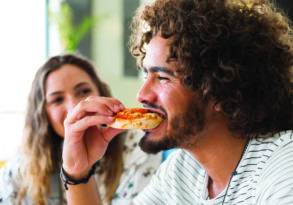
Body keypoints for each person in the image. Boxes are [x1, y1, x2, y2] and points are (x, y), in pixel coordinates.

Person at [61, 0, 293, 204]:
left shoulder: (283, 169)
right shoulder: (183, 170)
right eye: (146, 75)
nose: (142, 94)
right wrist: (77, 172)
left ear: (220, 90)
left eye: (162, 78)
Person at [0, 54, 162, 205]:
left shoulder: (140, 147)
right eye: (57, 99)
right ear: (43, 114)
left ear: (100, 93)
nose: (74, 107)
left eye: (84, 91)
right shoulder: (24, 164)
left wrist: (78, 173)